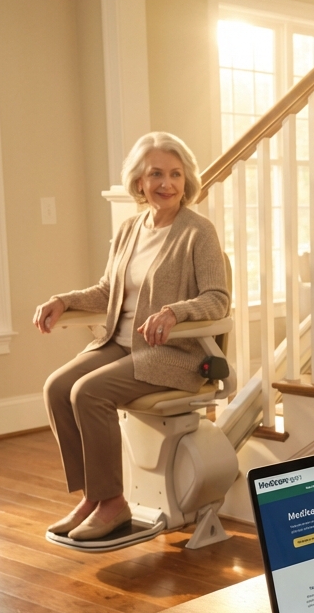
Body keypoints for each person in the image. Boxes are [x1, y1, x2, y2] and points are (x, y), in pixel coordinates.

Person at [34, 132, 229, 541]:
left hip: (171, 354)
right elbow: (107, 290)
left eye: (176, 174)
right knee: (57, 388)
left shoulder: (199, 232)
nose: (167, 183)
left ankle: (112, 504)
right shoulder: (129, 229)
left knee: (88, 392)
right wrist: (62, 301)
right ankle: (93, 496)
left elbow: (217, 299)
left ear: (186, 180)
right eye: (156, 173)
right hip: (119, 344)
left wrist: (176, 312)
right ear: (139, 181)